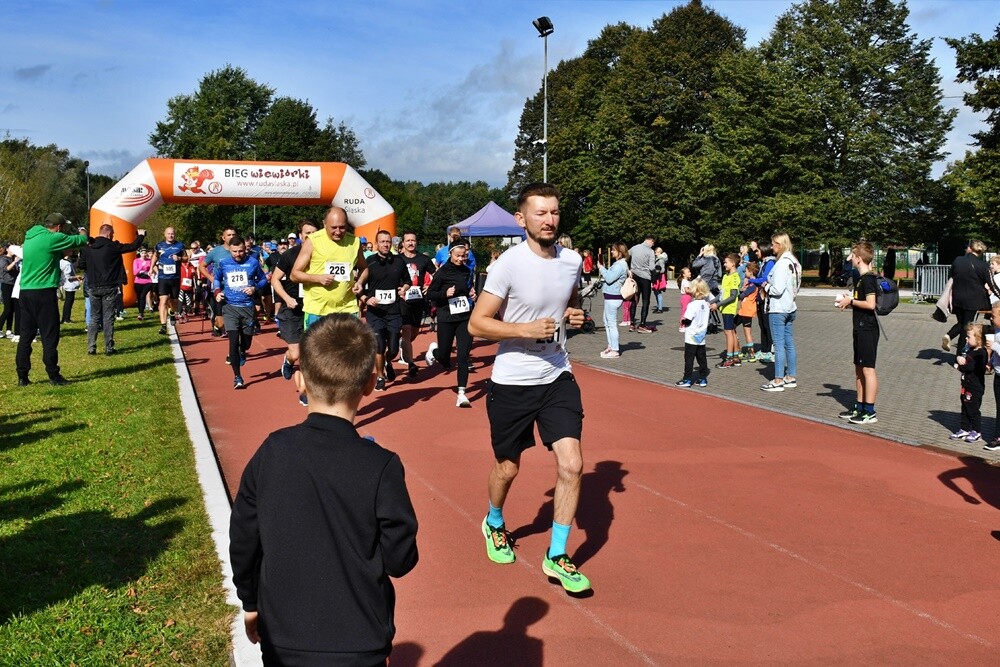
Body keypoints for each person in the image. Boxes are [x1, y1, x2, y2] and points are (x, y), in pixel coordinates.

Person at [229, 314, 419, 666]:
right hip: (360, 641)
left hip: (284, 637)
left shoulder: (272, 451)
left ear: (300, 381)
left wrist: (250, 601)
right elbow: (400, 560)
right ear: (369, 384)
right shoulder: (381, 465)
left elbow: (244, 537)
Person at [467, 182, 590, 593]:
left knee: (572, 464)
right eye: (540, 213)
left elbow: (571, 301)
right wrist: (524, 329)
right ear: (522, 219)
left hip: (556, 374)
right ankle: (494, 521)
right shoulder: (508, 265)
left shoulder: (572, 261)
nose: (549, 220)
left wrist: (575, 315)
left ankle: (557, 555)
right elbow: (477, 323)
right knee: (508, 467)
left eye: (554, 212)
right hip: (512, 380)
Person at [15, 213, 88, 386]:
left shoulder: (30, 237)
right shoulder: (53, 238)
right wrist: (83, 230)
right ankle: (53, 375)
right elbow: (82, 240)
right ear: (59, 227)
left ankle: (22, 376)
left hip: (25, 291)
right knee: (49, 335)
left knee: (26, 336)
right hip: (44, 292)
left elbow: (48, 255)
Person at [291, 206, 367, 326]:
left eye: (342, 227)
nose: (338, 232)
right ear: (324, 224)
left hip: (347, 309)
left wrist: (360, 282)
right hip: (317, 311)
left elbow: (364, 268)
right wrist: (318, 278)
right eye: (334, 227)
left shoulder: (354, 242)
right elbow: (294, 275)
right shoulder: (313, 241)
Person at [79, 224, 147, 355]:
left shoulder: (89, 247)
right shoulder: (113, 246)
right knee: (108, 317)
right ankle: (108, 347)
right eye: (113, 234)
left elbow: (81, 265)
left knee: (94, 317)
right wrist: (140, 236)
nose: (113, 236)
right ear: (109, 234)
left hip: (93, 286)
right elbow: (132, 247)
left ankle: (91, 347)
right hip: (109, 286)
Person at [271, 221, 318, 405]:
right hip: (292, 310)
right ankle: (289, 360)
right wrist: (286, 298)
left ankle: (306, 391)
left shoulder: (322, 254)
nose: (310, 236)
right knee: (297, 352)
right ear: (300, 236)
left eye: (314, 233)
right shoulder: (290, 255)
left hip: (313, 308)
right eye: (307, 233)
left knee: (310, 353)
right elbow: (275, 279)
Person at [425, 240, 477, 406]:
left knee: (463, 355)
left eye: (463, 256)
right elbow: (430, 294)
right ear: (450, 254)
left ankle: (462, 393)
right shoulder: (442, 272)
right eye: (458, 256)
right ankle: (435, 352)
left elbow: (467, 289)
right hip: (446, 317)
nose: (461, 259)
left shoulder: (466, 271)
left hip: (464, 317)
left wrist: (471, 293)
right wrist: (445, 293)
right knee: (444, 358)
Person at [213, 235, 268, 389]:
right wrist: (217, 291)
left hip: (247, 308)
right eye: (235, 251)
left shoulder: (253, 262)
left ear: (245, 249)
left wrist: (254, 288)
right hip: (230, 307)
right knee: (233, 342)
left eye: (241, 251)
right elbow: (216, 279)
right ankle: (237, 377)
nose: (238, 254)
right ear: (230, 250)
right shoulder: (224, 263)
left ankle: (243, 350)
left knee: (246, 342)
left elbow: (263, 279)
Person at [835, 241, 880, 425]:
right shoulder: (861, 278)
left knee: (868, 369)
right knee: (859, 368)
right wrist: (849, 301)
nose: (851, 259)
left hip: (868, 328)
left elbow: (871, 304)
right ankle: (860, 406)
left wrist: (851, 301)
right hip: (860, 327)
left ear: (859, 259)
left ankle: (870, 411)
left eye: (853, 256)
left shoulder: (868, 279)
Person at [360, 230, 410, 392]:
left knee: (393, 349)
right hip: (375, 312)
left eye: (388, 242)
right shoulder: (369, 262)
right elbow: (358, 286)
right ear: (376, 244)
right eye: (382, 242)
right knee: (379, 346)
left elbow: (407, 281)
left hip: (394, 311)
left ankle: (388, 361)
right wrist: (366, 299)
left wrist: (404, 288)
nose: (386, 245)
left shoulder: (399, 261)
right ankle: (380, 376)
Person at [761, 233, 800, 392]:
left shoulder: (782, 263)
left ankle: (778, 380)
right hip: (790, 306)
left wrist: (765, 286)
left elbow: (777, 289)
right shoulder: (795, 262)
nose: (772, 247)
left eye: (774, 244)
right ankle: (791, 376)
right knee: (789, 343)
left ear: (780, 244)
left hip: (778, 308)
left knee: (778, 345)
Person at [943, 240, 991, 355]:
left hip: (957, 298)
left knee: (962, 323)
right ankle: (959, 357)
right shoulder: (983, 265)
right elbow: (991, 283)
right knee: (966, 328)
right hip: (973, 300)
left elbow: (951, 276)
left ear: (970, 248)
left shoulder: (958, 260)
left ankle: (949, 335)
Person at [398, 231, 435, 376]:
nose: (411, 243)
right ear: (403, 243)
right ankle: (411, 364)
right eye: (408, 240)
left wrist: (430, 286)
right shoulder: (397, 259)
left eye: (413, 240)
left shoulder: (424, 259)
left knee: (413, 333)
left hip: (418, 300)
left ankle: (403, 344)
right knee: (406, 330)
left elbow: (436, 274)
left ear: (416, 242)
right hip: (402, 300)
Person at [950, 323, 987, 443]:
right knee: (965, 408)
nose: (966, 339)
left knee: (973, 409)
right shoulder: (969, 350)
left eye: (969, 337)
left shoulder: (980, 353)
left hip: (975, 387)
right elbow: (963, 360)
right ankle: (964, 428)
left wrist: (960, 365)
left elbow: (969, 367)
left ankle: (976, 431)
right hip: (966, 385)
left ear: (979, 339)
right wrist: (959, 359)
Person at [199, 226, 238, 337]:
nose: (232, 237)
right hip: (220, 289)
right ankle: (218, 325)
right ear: (223, 238)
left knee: (235, 317)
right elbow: (201, 266)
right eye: (229, 235)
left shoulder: (239, 250)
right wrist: (211, 278)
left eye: (234, 235)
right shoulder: (216, 252)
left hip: (236, 289)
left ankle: (234, 337)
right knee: (221, 322)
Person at [675, 278, 712, 388]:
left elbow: (688, 320)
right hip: (701, 335)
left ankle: (687, 379)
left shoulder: (692, 305)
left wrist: (682, 321)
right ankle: (702, 378)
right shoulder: (706, 304)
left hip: (691, 336)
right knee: (702, 358)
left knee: (689, 358)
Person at [596, 242, 629, 359]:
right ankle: (611, 346)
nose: (611, 251)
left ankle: (614, 349)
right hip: (611, 296)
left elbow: (609, 278)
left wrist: (601, 268)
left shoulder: (619, 265)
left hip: (613, 296)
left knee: (611, 323)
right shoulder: (620, 264)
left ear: (620, 252)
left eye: (614, 250)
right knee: (607, 322)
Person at [151, 227, 185, 335]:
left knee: (174, 300)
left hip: (175, 278)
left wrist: (179, 259)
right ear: (165, 234)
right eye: (169, 234)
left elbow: (186, 258)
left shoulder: (180, 245)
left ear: (175, 234)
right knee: (163, 300)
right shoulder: (159, 246)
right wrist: (151, 268)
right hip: (163, 277)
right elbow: (155, 256)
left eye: (172, 234)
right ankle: (163, 325)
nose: (171, 235)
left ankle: (172, 312)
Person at [748, 241, 776, 362]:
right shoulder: (763, 262)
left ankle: (770, 350)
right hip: (761, 297)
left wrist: (752, 280)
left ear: (764, 250)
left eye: (758, 250)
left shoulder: (770, 262)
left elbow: (765, 279)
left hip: (767, 298)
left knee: (767, 324)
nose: (756, 253)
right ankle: (764, 349)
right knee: (762, 324)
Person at [715, 253, 742, 369]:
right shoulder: (726, 276)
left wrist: (718, 304)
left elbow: (733, 296)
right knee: (732, 332)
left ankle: (729, 359)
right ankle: (735, 357)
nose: (724, 264)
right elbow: (722, 294)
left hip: (729, 308)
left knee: (728, 332)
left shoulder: (735, 277)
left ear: (733, 263)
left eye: (726, 262)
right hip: (724, 308)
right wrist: (712, 301)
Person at [628, 235, 655, 333]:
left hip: (634, 276)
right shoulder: (650, 251)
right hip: (645, 277)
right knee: (645, 301)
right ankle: (642, 324)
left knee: (634, 300)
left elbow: (626, 255)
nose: (653, 245)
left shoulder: (634, 248)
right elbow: (651, 267)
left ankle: (632, 323)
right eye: (653, 243)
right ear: (650, 241)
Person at [736, 261, 759, 361]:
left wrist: (734, 297)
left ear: (751, 272)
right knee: (747, 331)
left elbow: (743, 295)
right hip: (747, 310)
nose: (745, 273)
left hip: (746, 310)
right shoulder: (752, 283)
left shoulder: (752, 285)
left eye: (746, 271)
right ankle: (750, 353)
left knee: (733, 327)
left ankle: (739, 350)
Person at [0, 243, 20, 338]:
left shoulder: (13, 259)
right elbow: (6, 269)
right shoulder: (3, 259)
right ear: (7, 249)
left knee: (13, 309)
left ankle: (9, 330)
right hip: (6, 285)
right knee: (7, 308)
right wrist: (15, 262)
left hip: (14, 285)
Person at [132, 249, 153, 321]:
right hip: (138, 281)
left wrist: (151, 272)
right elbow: (135, 272)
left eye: (145, 253)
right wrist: (142, 266)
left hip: (147, 281)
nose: (144, 255)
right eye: (142, 253)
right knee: (139, 297)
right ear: (140, 254)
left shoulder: (149, 261)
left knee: (142, 296)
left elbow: (152, 269)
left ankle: (140, 313)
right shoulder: (136, 261)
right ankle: (141, 311)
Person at [652, 247, 669, 313]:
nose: (655, 254)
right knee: (656, 292)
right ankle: (658, 306)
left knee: (658, 292)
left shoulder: (661, 260)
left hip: (659, 277)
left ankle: (660, 308)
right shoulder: (659, 259)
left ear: (659, 252)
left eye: (655, 252)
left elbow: (662, 270)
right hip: (657, 277)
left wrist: (656, 271)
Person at [677, 266, 693, 332]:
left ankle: (685, 324)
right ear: (684, 274)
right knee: (684, 312)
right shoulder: (685, 281)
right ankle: (682, 326)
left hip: (687, 297)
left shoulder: (686, 281)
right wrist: (694, 291)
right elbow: (687, 290)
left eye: (690, 271)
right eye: (688, 272)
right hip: (686, 297)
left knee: (686, 311)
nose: (690, 273)